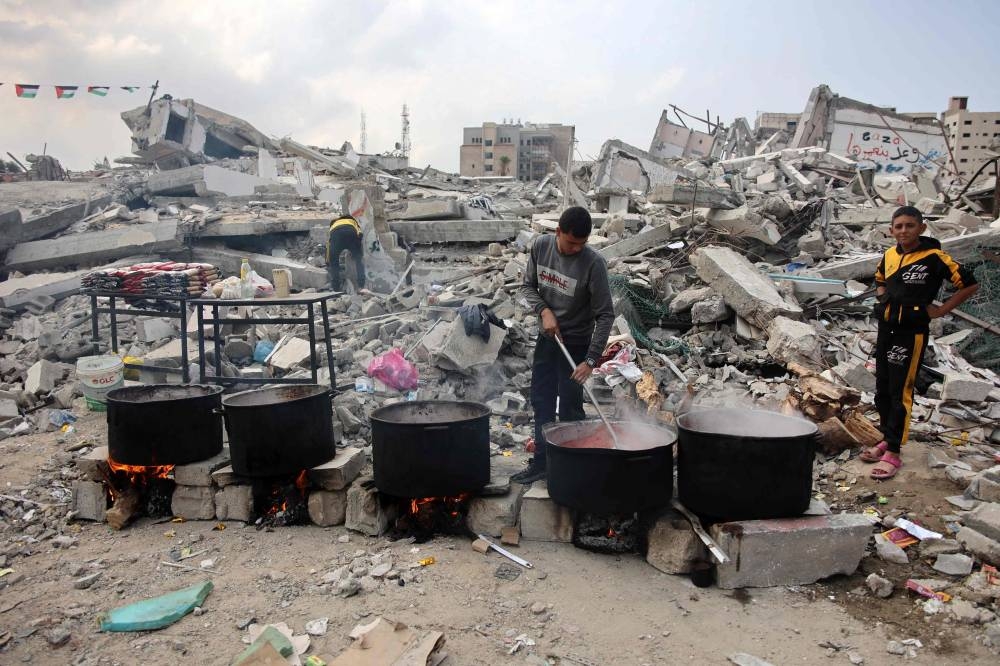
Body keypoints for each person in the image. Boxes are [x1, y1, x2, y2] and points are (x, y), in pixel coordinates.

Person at [862, 205, 979, 480]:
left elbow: (970, 284)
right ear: (891, 230)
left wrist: (941, 310)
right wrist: (882, 298)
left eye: (909, 225)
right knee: (881, 388)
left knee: (900, 389)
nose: (903, 231)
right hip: (886, 329)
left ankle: (893, 452)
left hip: (911, 333)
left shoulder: (935, 257)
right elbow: (879, 279)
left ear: (921, 228)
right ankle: (885, 437)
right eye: (898, 226)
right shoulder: (889, 255)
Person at [512, 206, 615, 484]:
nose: (575, 249)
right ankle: (542, 463)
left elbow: (605, 315)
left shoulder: (593, 264)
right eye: (570, 243)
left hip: (577, 344)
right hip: (548, 340)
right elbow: (526, 287)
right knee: (542, 400)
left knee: (570, 407)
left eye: (581, 244)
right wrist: (544, 311)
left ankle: (573, 469)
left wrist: (591, 360)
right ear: (558, 232)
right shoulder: (541, 247)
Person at [327, 213, 365, 292]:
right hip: (350, 233)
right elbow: (360, 234)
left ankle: (336, 289)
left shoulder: (333, 226)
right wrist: (356, 251)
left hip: (336, 235)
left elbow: (329, 244)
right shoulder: (352, 221)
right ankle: (361, 286)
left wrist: (329, 260)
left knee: (334, 264)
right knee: (359, 261)